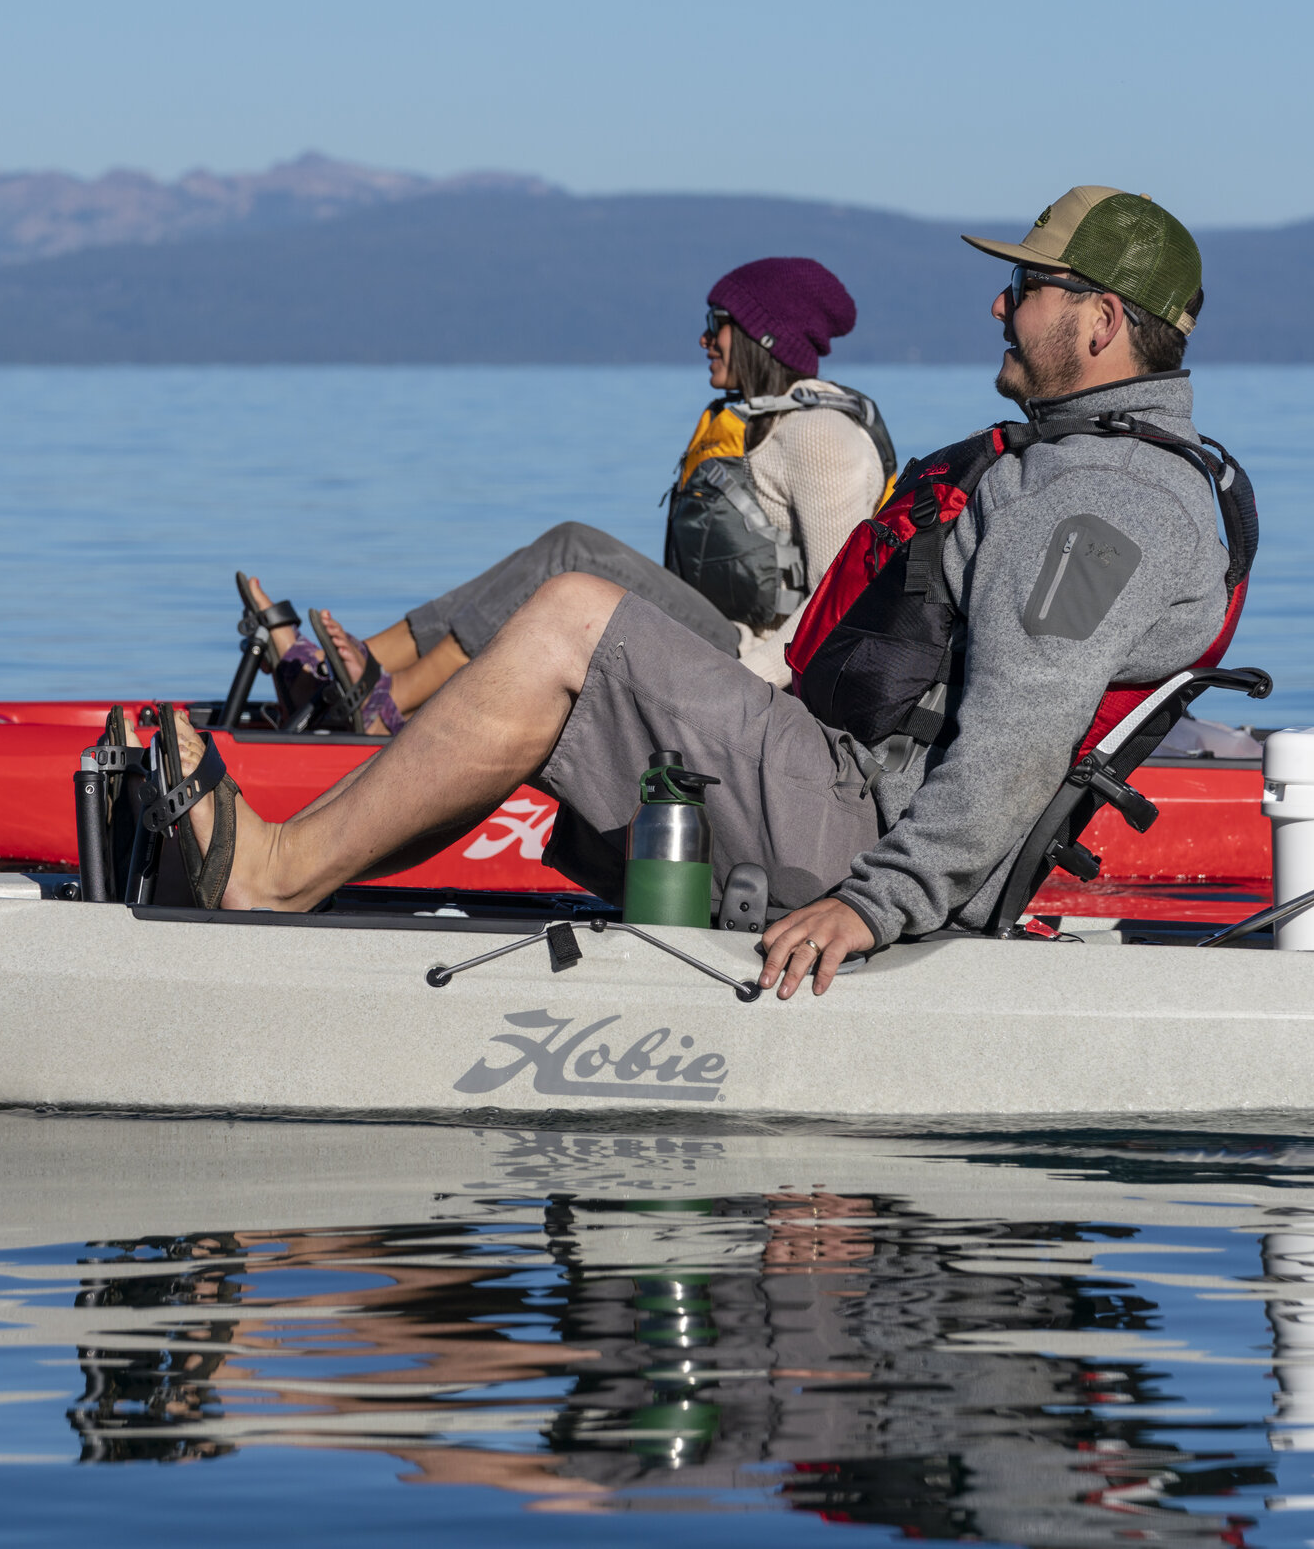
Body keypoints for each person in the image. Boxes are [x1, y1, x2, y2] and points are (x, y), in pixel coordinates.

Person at [165, 188, 1244, 1002]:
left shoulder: (1102, 502)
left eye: (1029, 288)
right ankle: (300, 872)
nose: (999, 303)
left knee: (573, 623)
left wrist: (873, 905)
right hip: (843, 781)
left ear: (1100, 321)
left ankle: (278, 873)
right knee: (574, 582)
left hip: (861, 831)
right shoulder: (1077, 470)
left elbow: (1020, 733)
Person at [245, 257, 894, 733]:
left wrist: (755, 676)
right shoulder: (765, 424)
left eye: (716, 324)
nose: (704, 340)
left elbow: (840, 602)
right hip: (723, 641)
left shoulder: (823, 441)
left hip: (752, 672)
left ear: (763, 337)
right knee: (554, 557)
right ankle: (354, 669)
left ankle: (396, 699)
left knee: (573, 552)